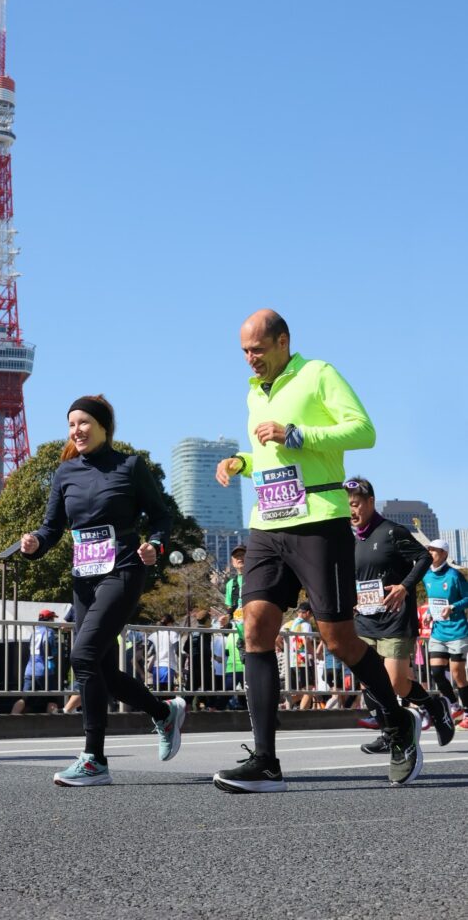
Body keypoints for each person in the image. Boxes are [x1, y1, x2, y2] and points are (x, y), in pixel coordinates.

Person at [212, 309, 422, 793]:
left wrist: (298, 433)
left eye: (258, 350)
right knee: (257, 629)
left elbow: (364, 430)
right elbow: (269, 455)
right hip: (266, 523)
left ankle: (396, 721)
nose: (250, 360)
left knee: (338, 640)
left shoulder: (318, 373)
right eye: (244, 352)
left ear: (283, 341)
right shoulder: (252, 392)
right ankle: (265, 759)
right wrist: (241, 461)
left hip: (317, 521)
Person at [20, 394, 185, 786]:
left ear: (104, 427)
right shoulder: (65, 473)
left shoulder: (129, 467)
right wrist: (35, 544)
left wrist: (155, 545)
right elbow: (52, 527)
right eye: (71, 424)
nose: (76, 430)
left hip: (124, 569)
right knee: (102, 669)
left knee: (83, 655)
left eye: (84, 423)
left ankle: (93, 758)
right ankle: (163, 713)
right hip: (85, 578)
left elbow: (163, 515)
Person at [344, 477, 454, 754]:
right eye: (347, 506)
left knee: (396, 683)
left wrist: (405, 587)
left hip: (394, 618)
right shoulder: (349, 538)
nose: (352, 511)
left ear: (370, 502)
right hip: (365, 619)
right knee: (369, 679)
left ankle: (434, 706)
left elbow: (424, 558)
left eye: (356, 504)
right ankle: (388, 731)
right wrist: (352, 599)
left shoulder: (392, 532)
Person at [422, 539, 468, 730]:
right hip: (438, 631)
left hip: (457, 630)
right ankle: (454, 705)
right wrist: (427, 612)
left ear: (444, 554)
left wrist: (453, 607)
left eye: (435, 550)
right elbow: (432, 600)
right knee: (437, 673)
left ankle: (467, 711)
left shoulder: (454, 575)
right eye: (430, 550)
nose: (431, 553)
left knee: (457, 673)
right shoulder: (426, 576)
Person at [12, 609, 60, 715]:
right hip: (44, 671)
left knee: (24, 699)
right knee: (52, 699)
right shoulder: (49, 631)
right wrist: (51, 660)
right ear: (49, 619)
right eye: (53, 619)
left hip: (30, 670)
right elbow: (48, 646)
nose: (53, 622)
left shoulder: (34, 632)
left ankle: (11, 719)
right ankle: (54, 725)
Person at [283, 600, 315, 710]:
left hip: (291, 660)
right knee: (309, 689)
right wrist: (314, 654)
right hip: (302, 660)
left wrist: (283, 649)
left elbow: (277, 638)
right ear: (307, 613)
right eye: (311, 615)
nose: (311, 617)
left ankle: (283, 706)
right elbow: (306, 641)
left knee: (300, 690)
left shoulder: (290, 623)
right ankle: (302, 713)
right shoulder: (306, 624)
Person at [147, 613, 180, 693]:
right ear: (169, 623)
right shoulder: (173, 634)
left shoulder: (154, 635)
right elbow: (177, 650)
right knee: (168, 694)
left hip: (156, 667)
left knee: (157, 693)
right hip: (168, 666)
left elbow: (147, 650)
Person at [225, 545, 246, 617]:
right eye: (236, 556)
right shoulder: (230, 584)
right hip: (236, 626)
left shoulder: (257, 578)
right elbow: (230, 608)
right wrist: (226, 619)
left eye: (242, 554)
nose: (239, 558)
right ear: (233, 562)